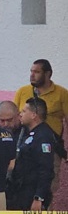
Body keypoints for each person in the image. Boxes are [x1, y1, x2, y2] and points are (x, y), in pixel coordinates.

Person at [14, 59, 68, 193]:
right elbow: (14, 118)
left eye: (37, 72)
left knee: (48, 184)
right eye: (31, 71)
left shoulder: (62, 93)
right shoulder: (22, 91)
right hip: (25, 146)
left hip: (50, 147)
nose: (32, 75)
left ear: (48, 74)